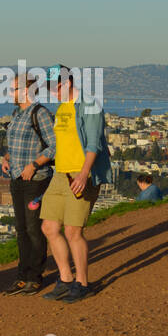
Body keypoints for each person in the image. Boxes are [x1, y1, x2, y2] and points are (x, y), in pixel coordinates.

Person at [40, 65, 112, 302]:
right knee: (49, 228)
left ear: (68, 83)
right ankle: (65, 279)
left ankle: (82, 283)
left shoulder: (89, 105)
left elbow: (94, 144)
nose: (52, 92)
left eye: (55, 87)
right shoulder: (62, 108)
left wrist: (84, 174)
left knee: (73, 231)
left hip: (81, 174)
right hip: (60, 174)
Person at [1, 71, 56, 295]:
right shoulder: (17, 113)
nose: (11, 93)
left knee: (34, 229)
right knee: (22, 229)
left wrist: (34, 165)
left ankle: (35, 276)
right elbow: (14, 144)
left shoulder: (40, 113)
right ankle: (22, 275)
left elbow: (54, 146)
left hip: (36, 180)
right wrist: (7, 158)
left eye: (14, 89)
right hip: (16, 178)